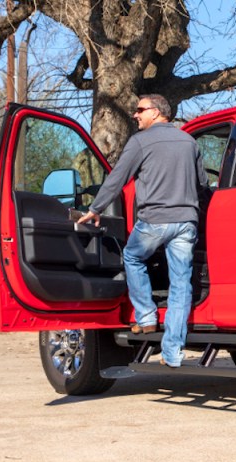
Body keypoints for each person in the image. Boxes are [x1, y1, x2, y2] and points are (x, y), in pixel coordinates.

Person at [77, 94, 206, 368]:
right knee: (181, 284)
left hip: (154, 220)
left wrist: (96, 208)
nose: (135, 115)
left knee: (133, 257)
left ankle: (146, 316)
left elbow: (117, 178)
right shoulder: (189, 142)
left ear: (156, 112)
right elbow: (203, 184)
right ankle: (172, 353)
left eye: (140, 110)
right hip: (186, 221)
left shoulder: (140, 141)